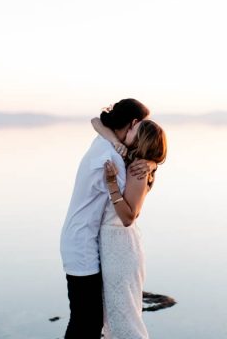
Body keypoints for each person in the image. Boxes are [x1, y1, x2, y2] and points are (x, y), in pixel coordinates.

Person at [59, 99, 155, 339]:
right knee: (85, 322)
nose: (144, 130)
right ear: (133, 123)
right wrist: (148, 168)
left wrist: (151, 163)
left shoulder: (104, 142)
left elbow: (97, 122)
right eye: (141, 126)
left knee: (88, 320)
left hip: (84, 238)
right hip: (82, 243)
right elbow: (128, 213)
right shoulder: (111, 157)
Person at [93, 118, 167, 339]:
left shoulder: (139, 169)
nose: (131, 126)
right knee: (114, 316)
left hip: (120, 250)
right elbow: (97, 121)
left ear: (141, 138)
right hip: (113, 246)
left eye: (135, 127)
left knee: (124, 319)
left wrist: (112, 184)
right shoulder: (131, 159)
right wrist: (115, 142)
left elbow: (128, 217)